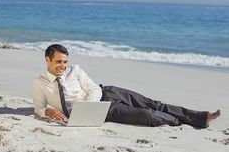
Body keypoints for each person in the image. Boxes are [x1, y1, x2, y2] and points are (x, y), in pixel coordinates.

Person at [31, 44, 221, 128]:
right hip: (104, 111)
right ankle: (181, 121)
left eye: (65, 61)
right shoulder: (40, 83)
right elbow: (38, 108)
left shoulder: (75, 70)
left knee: (152, 103)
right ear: (47, 60)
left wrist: (89, 105)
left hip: (106, 94)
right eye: (58, 62)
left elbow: (94, 89)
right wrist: (47, 112)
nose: (63, 66)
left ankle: (200, 117)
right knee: (147, 115)